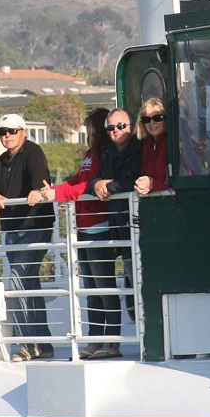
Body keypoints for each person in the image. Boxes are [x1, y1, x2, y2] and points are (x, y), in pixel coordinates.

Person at [27, 108, 119, 360]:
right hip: (84, 227)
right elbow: (76, 181)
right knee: (90, 287)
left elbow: (87, 186)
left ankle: (111, 341)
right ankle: (94, 338)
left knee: (104, 286)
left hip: (99, 226)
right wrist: (52, 190)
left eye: (89, 125)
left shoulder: (105, 155)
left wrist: (60, 193)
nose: (86, 129)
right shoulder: (90, 155)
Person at [0, 113, 55, 362]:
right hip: (13, 230)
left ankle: (30, 344)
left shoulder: (33, 152)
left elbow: (39, 182)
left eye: (11, 131)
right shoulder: (2, 161)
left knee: (21, 281)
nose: (7, 136)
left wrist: (36, 192)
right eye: (2, 132)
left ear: (23, 131)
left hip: (34, 227)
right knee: (28, 283)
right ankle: (42, 344)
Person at [89, 108, 142, 357]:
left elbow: (131, 179)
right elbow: (96, 180)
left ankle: (145, 339)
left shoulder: (137, 149)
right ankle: (111, 342)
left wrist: (107, 185)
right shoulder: (109, 152)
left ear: (130, 126)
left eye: (120, 126)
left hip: (136, 226)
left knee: (138, 282)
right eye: (110, 128)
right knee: (120, 285)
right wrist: (97, 184)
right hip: (117, 228)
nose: (116, 132)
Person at [134, 98, 169, 196]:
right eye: (146, 119)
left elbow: (174, 179)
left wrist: (153, 184)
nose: (152, 123)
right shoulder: (145, 145)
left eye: (157, 118)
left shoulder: (173, 142)